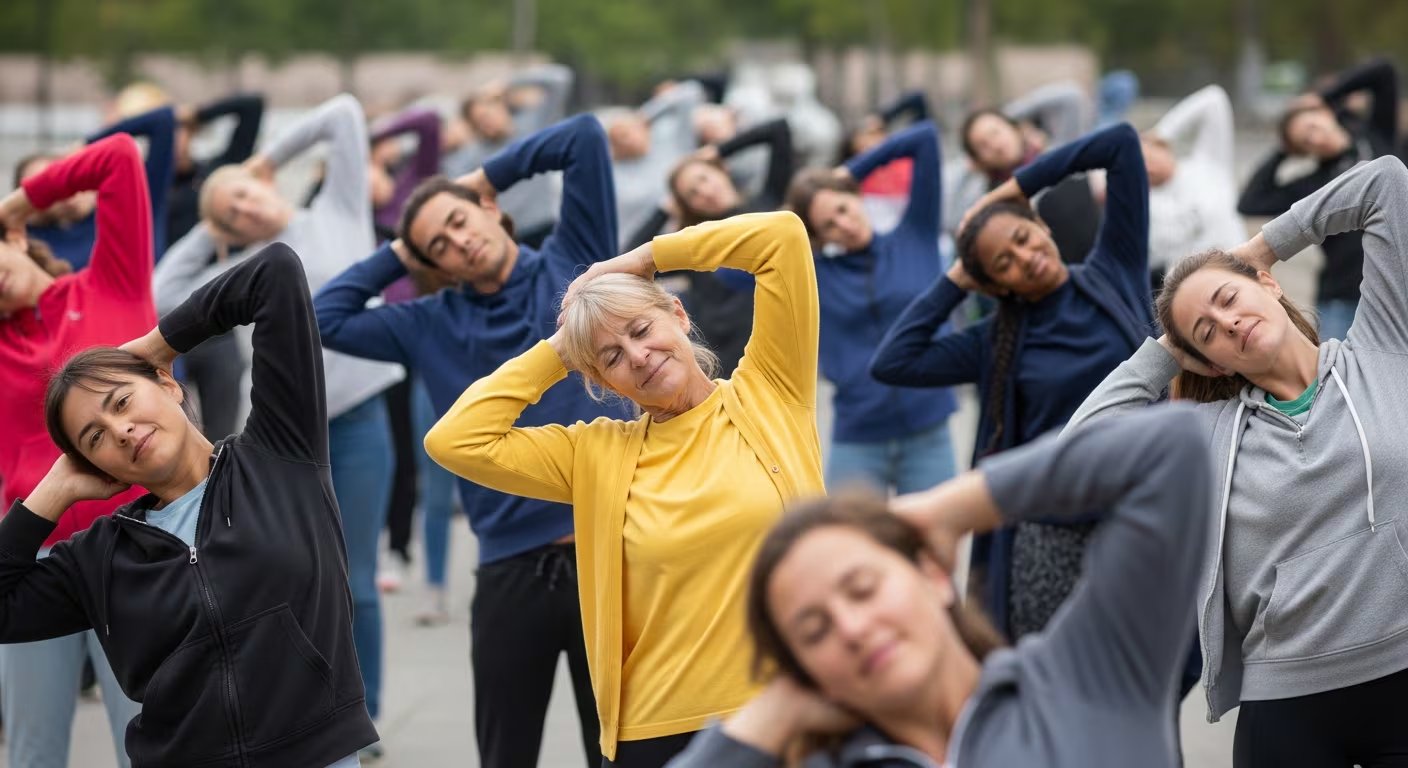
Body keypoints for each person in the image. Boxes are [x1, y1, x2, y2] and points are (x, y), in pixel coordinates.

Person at [423, 210, 823, 767]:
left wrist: (645, 258)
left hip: (796, 712)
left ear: (678, 315)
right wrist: (561, 350)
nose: (637, 356)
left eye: (641, 330)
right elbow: (454, 441)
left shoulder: (771, 391)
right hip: (658, 733)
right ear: (600, 381)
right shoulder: (595, 454)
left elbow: (781, 237)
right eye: (611, 358)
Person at [1067, 155, 1408, 768]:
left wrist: (1264, 245)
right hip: (1289, 703)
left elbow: (1384, 182)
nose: (1227, 321)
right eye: (1206, 331)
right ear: (1209, 361)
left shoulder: (1384, 346)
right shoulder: (1204, 436)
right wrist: (1164, 353)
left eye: (1229, 298)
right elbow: (1079, 454)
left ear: (1268, 285)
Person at [315, 113, 619, 767]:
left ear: (491, 211)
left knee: (622, 751)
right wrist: (400, 250)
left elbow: (584, 137)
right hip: (511, 571)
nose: (458, 243)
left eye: (460, 222)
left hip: (615, 550)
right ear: (433, 267)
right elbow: (322, 317)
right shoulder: (428, 322)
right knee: (504, 753)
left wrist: (485, 176)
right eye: (438, 247)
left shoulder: (576, 260)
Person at [664, 406, 1211, 768]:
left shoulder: (1087, 676)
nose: (851, 629)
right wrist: (777, 712)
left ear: (931, 573)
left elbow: (1172, 449)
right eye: (814, 631)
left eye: (862, 588)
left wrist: (954, 507)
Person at [3, 244, 377, 767]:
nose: (120, 429)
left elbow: (275, 274)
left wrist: (162, 341)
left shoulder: (280, 452)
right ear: (95, 466)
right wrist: (53, 491)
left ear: (167, 383)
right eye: (94, 438)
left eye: (122, 402)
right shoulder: (99, 557)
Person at [155, 93, 404, 759]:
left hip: (355, 425)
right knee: (298, 577)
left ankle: (366, 715)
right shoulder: (240, 269)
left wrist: (264, 160)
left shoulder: (337, 212)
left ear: (263, 182)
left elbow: (348, 113)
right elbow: (164, 288)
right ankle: (310, 707)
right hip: (280, 447)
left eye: (243, 194)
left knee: (356, 579)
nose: (244, 207)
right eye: (230, 212)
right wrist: (214, 229)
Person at [870, 123, 1153, 639]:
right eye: (1005, 263)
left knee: (1154, 680)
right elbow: (894, 361)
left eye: (1023, 238)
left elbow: (1120, 144)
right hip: (1051, 534)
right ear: (994, 284)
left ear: (1041, 226)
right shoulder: (994, 341)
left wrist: (1016, 187)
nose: (1025, 258)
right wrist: (957, 278)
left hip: (1140, 509)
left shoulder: (1115, 271)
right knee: (1057, 683)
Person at [0, 135, 151, 768]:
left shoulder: (113, 281)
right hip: (36, 561)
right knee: (33, 751)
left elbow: (118, 155)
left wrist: (19, 202)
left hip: (142, 550)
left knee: (146, 743)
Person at [784, 120, 957, 495]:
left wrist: (849, 170)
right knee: (853, 547)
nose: (845, 224)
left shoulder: (916, 235)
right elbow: (735, 274)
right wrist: (789, 225)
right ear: (819, 237)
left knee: (934, 550)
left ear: (858, 196)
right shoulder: (814, 274)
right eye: (829, 224)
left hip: (930, 428)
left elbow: (925, 137)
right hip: (858, 437)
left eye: (844, 208)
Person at [110, 88, 266, 441]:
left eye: (181, 130)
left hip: (216, 325)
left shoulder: (212, 175)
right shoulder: (144, 187)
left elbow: (251, 105)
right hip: (158, 327)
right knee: (170, 435)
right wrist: (150, 124)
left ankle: (222, 494)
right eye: (166, 132)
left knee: (223, 435)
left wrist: (193, 112)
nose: (175, 139)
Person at [364, 104, 456, 603]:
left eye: (374, 165)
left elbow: (428, 124)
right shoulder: (352, 217)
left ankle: (403, 549)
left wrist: (371, 131)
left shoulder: (409, 201)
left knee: (423, 449)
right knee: (395, 447)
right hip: (381, 346)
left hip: (424, 338)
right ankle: (389, 546)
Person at [1238, 58, 1400, 342]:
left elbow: (1383, 72)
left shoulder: (1375, 135)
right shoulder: (1314, 185)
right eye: (1305, 142)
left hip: (1398, 282)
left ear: (1326, 114)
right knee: (1334, 378)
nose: (1314, 139)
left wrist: (1323, 96)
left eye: (1312, 127)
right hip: (1342, 297)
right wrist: (1282, 149)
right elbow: (1251, 202)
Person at [626, 117, 795, 375]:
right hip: (723, 364)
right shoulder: (694, 245)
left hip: (777, 350)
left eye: (704, 178)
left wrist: (719, 149)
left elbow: (778, 130)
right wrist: (663, 211)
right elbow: (630, 260)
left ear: (721, 170)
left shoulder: (765, 208)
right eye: (692, 193)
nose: (704, 191)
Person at [950, 82, 1098, 264]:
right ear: (979, 161)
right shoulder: (993, 201)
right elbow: (954, 223)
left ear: (1014, 127)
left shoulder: (1059, 153)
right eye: (983, 146)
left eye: (996, 132)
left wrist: (1008, 114)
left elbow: (1071, 97)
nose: (996, 145)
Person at [16, 103, 176, 269]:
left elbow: (162, 121)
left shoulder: (128, 205)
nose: (54, 187)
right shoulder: (39, 245)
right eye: (40, 187)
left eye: (56, 174)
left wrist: (86, 144)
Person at [442, 64, 575, 247]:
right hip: (508, 236)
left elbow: (560, 79)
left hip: (547, 226)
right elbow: (454, 183)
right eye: (479, 121)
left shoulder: (534, 124)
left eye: (488, 114)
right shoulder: (474, 154)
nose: (487, 123)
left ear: (501, 106)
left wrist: (508, 83)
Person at [1142, 84, 1247, 290]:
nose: (1148, 166)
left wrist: (1160, 133)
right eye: (1138, 164)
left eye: (1147, 155)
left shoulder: (1207, 163)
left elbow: (1213, 99)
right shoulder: (1147, 202)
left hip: (1242, 274)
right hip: (1197, 291)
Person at [608, 80, 705, 250]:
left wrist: (645, 114)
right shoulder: (617, 174)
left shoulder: (672, 141)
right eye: (618, 137)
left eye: (629, 131)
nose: (628, 139)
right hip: (654, 245)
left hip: (697, 228)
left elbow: (690, 93)